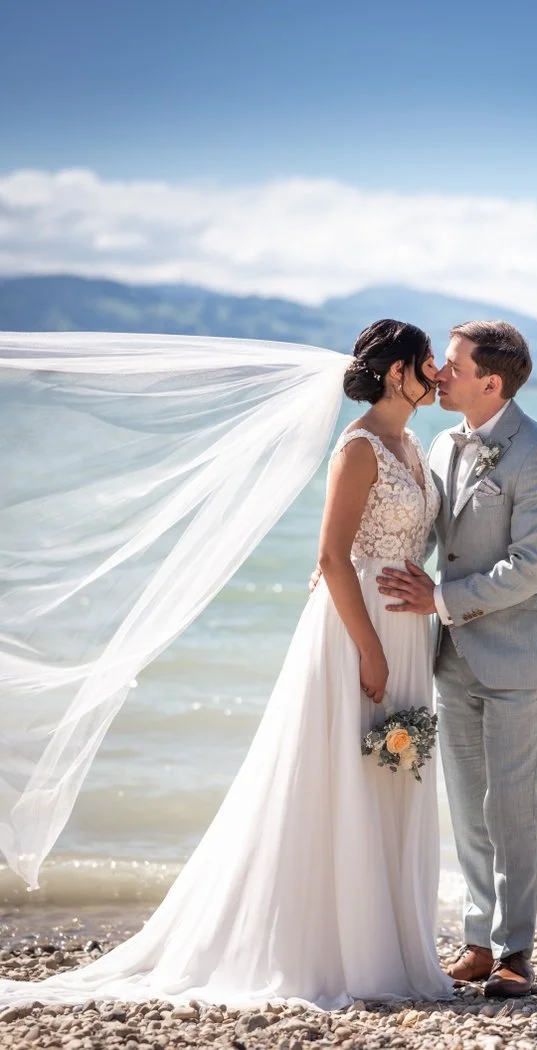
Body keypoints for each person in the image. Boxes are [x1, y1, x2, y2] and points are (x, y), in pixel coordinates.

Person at [0, 320, 453, 1011]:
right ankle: (326, 949)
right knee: (335, 776)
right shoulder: (358, 447)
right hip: (355, 629)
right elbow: (333, 557)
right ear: (397, 373)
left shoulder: (412, 443)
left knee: (390, 774)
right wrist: (365, 645)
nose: (436, 374)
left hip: (404, 628)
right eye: (426, 363)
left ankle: (384, 941)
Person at [376, 320, 537, 998]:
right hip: (452, 658)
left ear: (489, 382)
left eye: (450, 365)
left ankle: (515, 951)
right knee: (467, 808)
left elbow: (530, 568)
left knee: (511, 808)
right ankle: (478, 941)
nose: (439, 374)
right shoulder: (443, 443)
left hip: (518, 659)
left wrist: (439, 600)